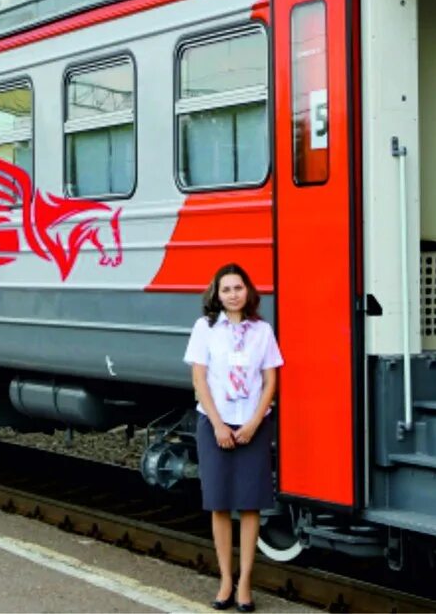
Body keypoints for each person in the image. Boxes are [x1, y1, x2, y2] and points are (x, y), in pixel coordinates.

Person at [184, 263, 283, 613]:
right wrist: (218, 426)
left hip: (253, 425)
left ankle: (245, 583)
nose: (232, 294)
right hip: (216, 424)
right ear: (217, 294)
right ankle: (225, 578)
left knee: (250, 504)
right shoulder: (205, 328)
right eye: (226, 289)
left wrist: (255, 423)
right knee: (220, 503)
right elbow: (199, 379)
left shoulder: (262, 330)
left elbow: (270, 381)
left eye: (238, 288)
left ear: (248, 291)